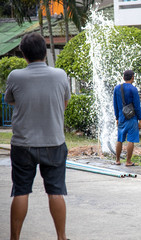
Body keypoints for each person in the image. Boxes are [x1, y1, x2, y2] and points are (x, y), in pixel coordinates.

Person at [4, 33, 71, 240]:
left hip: (23, 144)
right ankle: (61, 237)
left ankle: (15, 238)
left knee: (21, 191)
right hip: (54, 142)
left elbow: (12, 101)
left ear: (24, 54)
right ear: (45, 51)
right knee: (56, 191)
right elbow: (65, 103)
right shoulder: (60, 75)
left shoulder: (15, 76)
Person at [113, 70, 141, 166]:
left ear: (123, 77)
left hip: (121, 117)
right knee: (131, 139)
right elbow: (137, 106)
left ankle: (117, 160)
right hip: (132, 117)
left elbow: (115, 104)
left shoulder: (117, 88)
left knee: (120, 139)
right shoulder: (133, 89)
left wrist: (117, 117)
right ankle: (128, 161)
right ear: (132, 77)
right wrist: (140, 119)